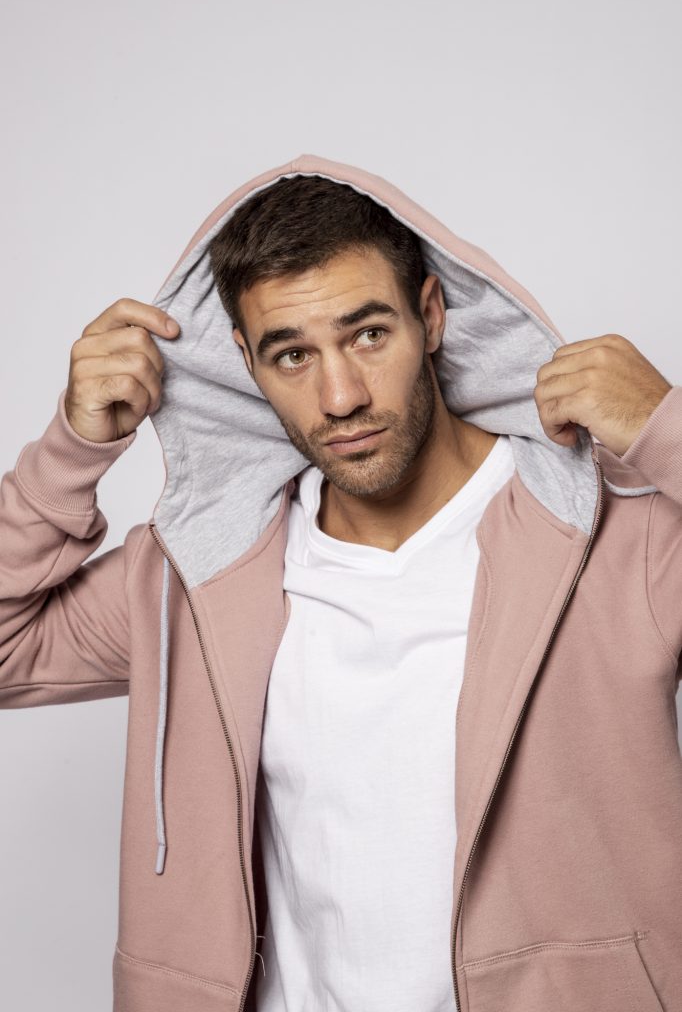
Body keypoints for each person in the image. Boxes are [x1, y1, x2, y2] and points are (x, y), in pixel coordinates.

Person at [1, 154, 680, 1012]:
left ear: (430, 315)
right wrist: (71, 450)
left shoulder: (612, 540)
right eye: (292, 354)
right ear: (246, 361)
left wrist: (667, 427)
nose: (340, 396)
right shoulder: (197, 576)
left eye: (367, 335)